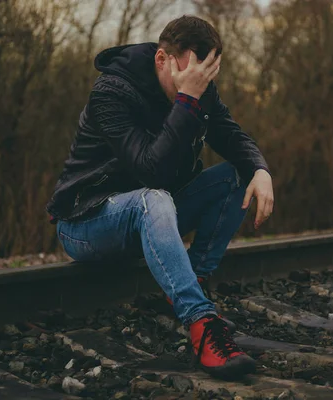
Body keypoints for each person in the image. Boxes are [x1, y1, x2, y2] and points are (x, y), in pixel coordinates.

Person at [46, 15, 274, 380]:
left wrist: (260, 169)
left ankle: (188, 286)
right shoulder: (111, 93)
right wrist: (187, 100)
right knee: (152, 197)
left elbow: (231, 136)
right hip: (86, 221)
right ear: (161, 60)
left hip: (152, 213)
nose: (198, 85)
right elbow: (149, 168)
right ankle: (201, 325)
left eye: (205, 77)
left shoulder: (197, 89)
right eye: (189, 76)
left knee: (236, 175)